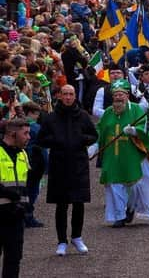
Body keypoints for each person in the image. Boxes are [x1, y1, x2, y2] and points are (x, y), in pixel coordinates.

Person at [96, 79, 149, 227]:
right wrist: (95, 145)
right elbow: (100, 130)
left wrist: (135, 131)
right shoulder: (108, 112)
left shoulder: (136, 110)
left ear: (127, 95)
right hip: (113, 156)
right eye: (115, 95)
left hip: (133, 155)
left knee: (135, 186)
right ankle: (119, 216)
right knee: (114, 185)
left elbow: (146, 130)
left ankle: (131, 207)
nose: (118, 98)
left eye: (121, 94)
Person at [37, 85, 98, 256]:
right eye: (65, 94)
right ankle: (62, 240)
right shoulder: (51, 118)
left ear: (74, 96)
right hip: (59, 164)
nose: (68, 97)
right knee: (61, 204)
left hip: (78, 164)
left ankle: (77, 237)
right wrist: (56, 140)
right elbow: (41, 139)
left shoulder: (83, 116)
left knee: (79, 203)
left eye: (71, 94)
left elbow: (94, 135)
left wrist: (82, 139)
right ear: (60, 96)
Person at [0, 119, 31, 278]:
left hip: (16, 216)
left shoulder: (23, 154)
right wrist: (6, 193)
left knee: (14, 260)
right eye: (25, 133)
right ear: (13, 133)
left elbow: (27, 182)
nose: (29, 137)